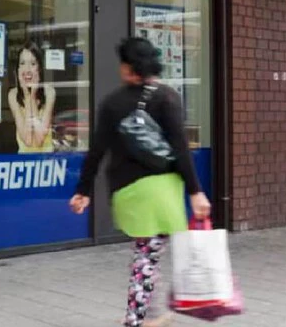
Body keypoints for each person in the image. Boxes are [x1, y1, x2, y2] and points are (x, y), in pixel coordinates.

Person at [69, 37, 211, 327]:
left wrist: (83, 190)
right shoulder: (167, 98)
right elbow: (181, 149)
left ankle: (151, 313)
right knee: (147, 255)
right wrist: (196, 191)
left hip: (127, 192)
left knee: (147, 251)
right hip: (162, 191)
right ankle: (138, 319)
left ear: (128, 67)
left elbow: (97, 150)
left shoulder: (112, 103)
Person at [8, 43, 55, 153]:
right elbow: (28, 140)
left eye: (33, 64)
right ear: (18, 69)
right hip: (24, 160)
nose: (27, 69)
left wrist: (32, 96)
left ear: (39, 68)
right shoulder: (13, 95)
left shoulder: (49, 92)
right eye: (22, 63)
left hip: (46, 159)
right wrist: (27, 94)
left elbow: (39, 140)